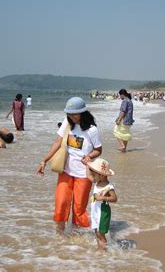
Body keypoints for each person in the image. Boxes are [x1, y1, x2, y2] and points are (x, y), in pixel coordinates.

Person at [37, 97, 102, 234]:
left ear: (83, 112)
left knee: (79, 208)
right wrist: (44, 160)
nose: (71, 116)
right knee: (61, 203)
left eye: (74, 113)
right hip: (65, 171)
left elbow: (98, 150)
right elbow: (57, 143)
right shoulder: (67, 123)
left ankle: (76, 238)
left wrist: (89, 156)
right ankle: (60, 236)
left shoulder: (92, 130)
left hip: (84, 174)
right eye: (69, 114)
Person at [86, 158, 117, 251]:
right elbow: (89, 176)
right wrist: (87, 165)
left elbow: (115, 198)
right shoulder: (98, 181)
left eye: (94, 174)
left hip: (103, 212)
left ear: (102, 175)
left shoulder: (108, 187)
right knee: (96, 231)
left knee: (100, 233)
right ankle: (100, 249)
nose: (92, 176)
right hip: (95, 211)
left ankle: (103, 252)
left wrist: (103, 198)